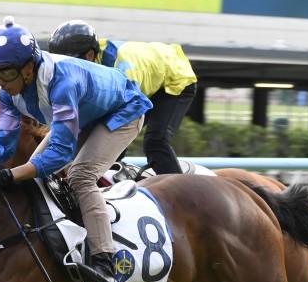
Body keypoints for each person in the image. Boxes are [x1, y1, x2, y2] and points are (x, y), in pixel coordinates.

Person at [0, 17, 152, 282]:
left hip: (123, 112)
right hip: (87, 113)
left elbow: (60, 152)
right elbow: (4, 143)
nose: (0, 83)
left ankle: (106, 260)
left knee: (80, 175)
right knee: (32, 172)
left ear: (29, 68)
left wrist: (11, 174)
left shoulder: (62, 82)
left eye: (6, 74)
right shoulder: (9, 91)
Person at [48, 20, 197, 176]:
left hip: (175, 81)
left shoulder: (121, 70)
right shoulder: (88, 60)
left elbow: (126, 115)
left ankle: (178, 191)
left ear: (90, 55)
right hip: (149, 75)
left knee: (154, 142)